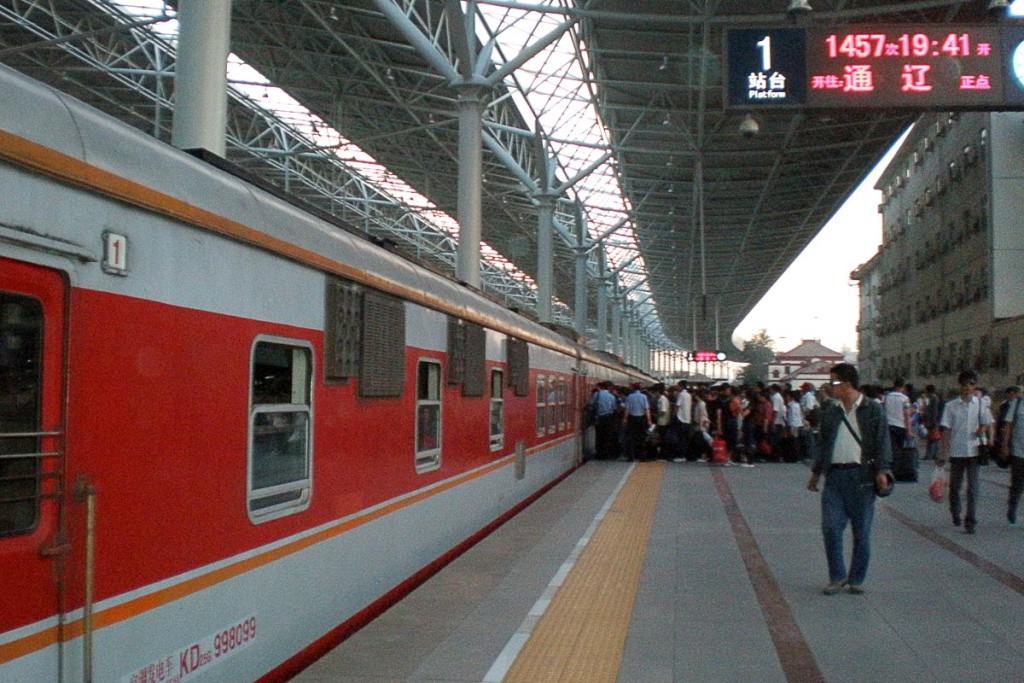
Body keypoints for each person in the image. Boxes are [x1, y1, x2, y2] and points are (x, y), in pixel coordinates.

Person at [807, 363, 893, 596]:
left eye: (833, 381)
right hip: (834, 477)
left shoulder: (872, 409)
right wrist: (816, 473)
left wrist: (882, 471)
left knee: (861, 531)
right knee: (831, 527)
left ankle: (856, 578)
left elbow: (882, 441)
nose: (830, 386)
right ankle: (837, 576)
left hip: (862, 477)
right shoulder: (831, 411)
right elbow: (824, 444)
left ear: (846, 384)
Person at [938, 370, 991, 534]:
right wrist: (943, 451)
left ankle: (971, 521)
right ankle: (955, 511)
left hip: (975, 451)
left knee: (973, 488)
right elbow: (946, 429)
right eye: (965, 384)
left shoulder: (981, 404)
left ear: (975, 386)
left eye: (971, 384)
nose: (968, 387)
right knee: (955, 486)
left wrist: (981, 429)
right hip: (957, 451)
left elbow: (986, 423)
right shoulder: (950, 406)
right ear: (960, 386)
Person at [999, 386, 1024, 524]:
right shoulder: (1018, 403)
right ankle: (1012, 507)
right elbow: (1008, 425)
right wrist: (1005, 445)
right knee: (1017, 482)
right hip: (1018, 450)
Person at [591, 381, 619, 461]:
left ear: (601, 387)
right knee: (607, 436)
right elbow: (614, 408)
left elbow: (591, 404)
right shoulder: (611, 396)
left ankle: (599, 454)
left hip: (599, 418)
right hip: (608, 418)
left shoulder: (597, 394)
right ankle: (606, 454)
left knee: (599, 436)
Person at [623, 383, 651, 462]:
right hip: (642, 419)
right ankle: (642, 457)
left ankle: (631, 457)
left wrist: (625, 419)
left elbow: (627, 409)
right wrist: (649, 420)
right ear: (640, 389)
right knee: (642, 438)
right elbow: (646, 409)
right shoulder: (644, 397)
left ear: (633, 389)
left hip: (632, 419)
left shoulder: (629, 397)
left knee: (631, 438)